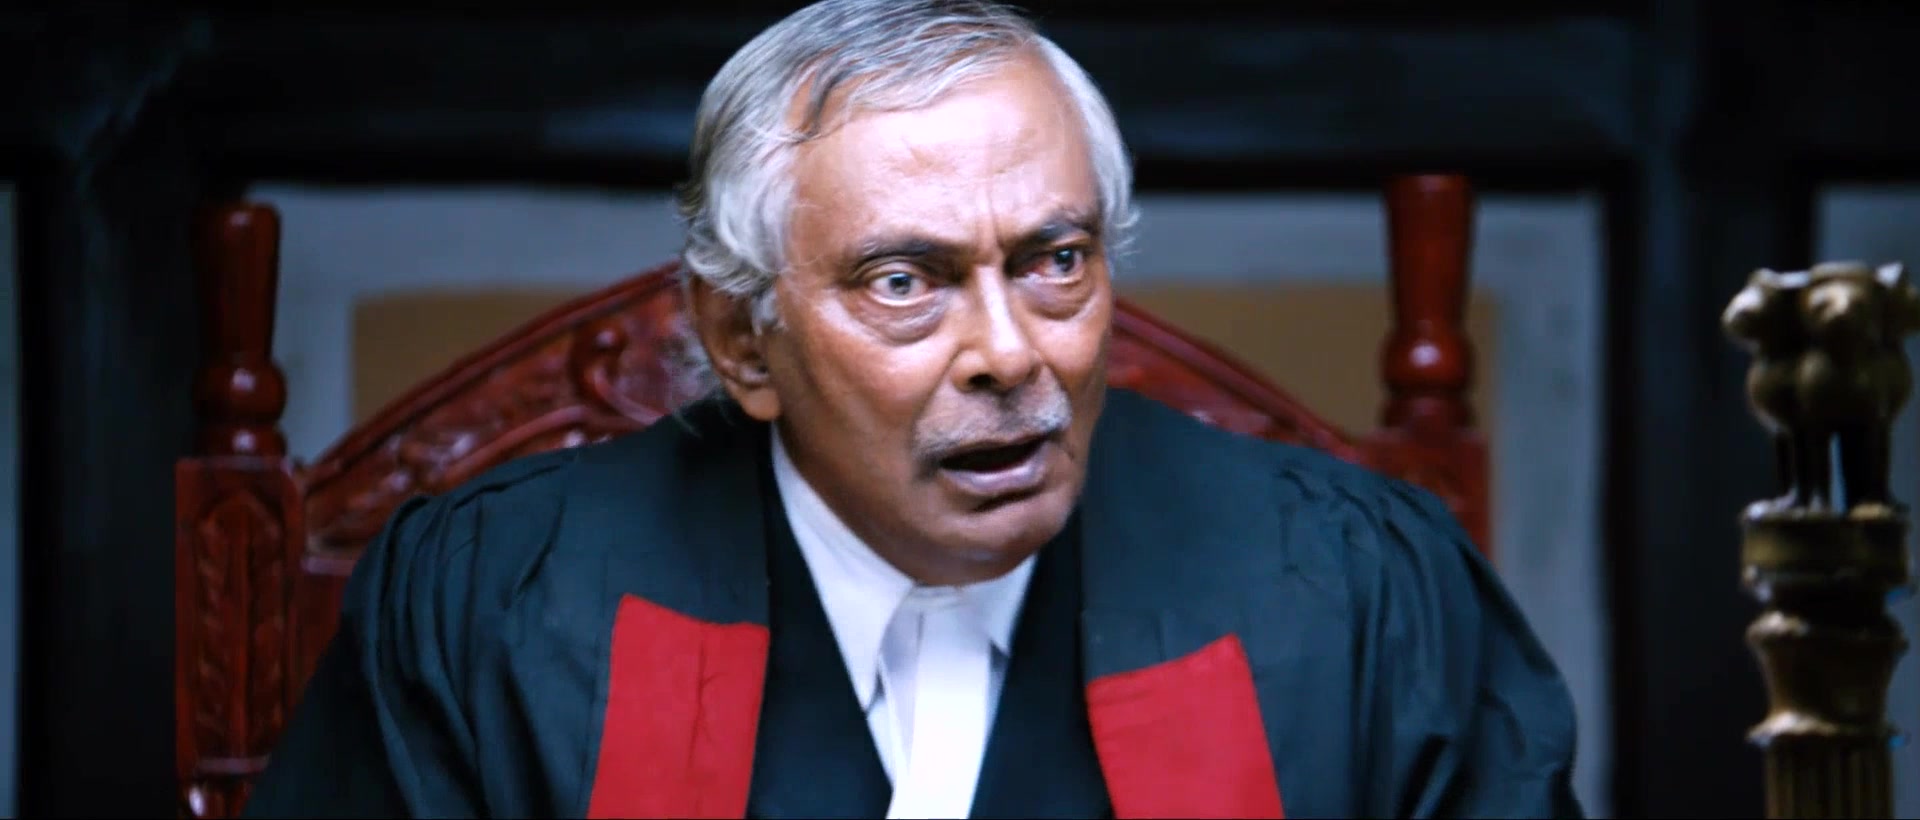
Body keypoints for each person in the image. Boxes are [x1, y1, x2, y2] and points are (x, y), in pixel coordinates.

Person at [241, 0, 1583, 817]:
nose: (1010, 354)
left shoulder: (1353, 592)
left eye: (1055, 261)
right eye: (904, 282)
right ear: (741, 340)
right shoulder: (496, 606)